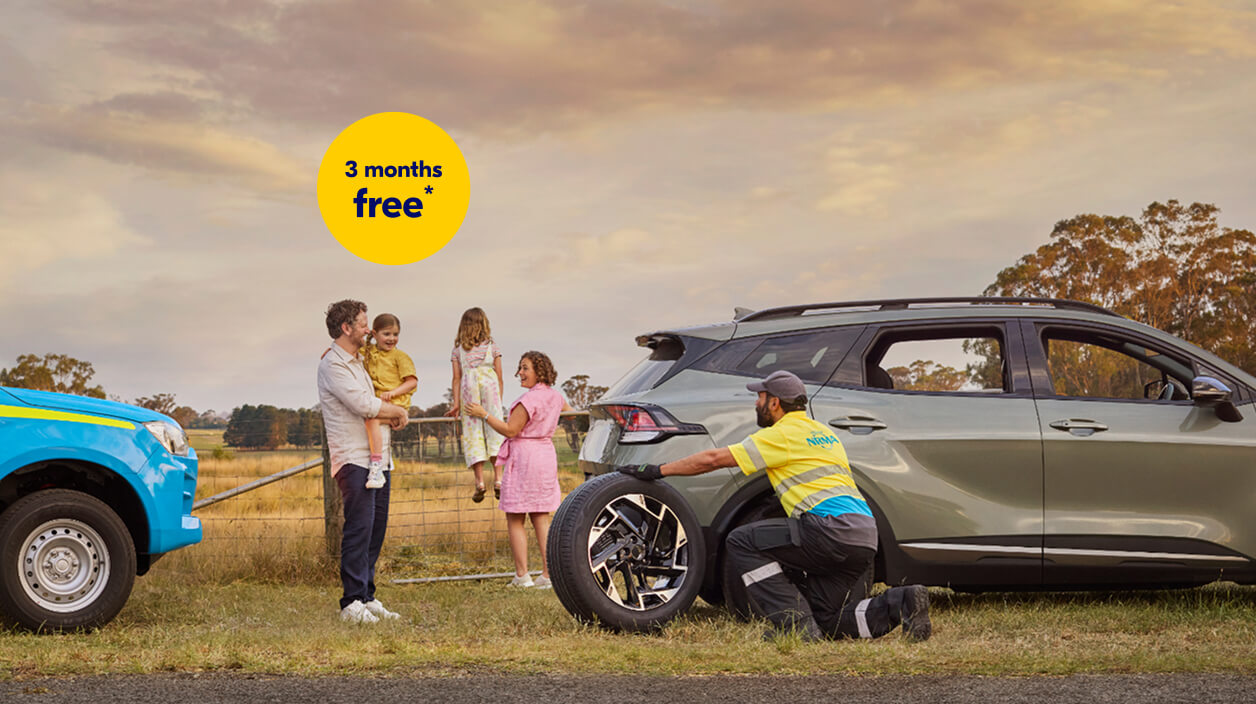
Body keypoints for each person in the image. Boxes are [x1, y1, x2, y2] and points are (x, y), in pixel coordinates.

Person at [617, 370, 932, 642]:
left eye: (760, 397)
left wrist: (658, 470)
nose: (757, 403)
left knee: (741, 541)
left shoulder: (780, 435)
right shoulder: (824, 434)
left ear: (775, 403)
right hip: (864, 534)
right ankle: (902, 601)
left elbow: (713, 460)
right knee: (829, 618)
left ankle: (794, 624)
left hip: (829, 529)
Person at [317, 299, 410, 624]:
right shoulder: (334, 365)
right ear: (346, 328)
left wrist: (390, 413)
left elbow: (373, 403)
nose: (368, 329)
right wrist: (397, 411)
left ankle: (367, 595)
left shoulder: (357, 362)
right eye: (362, 323)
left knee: (375, 528)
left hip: (379, 458)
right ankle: (351, 602)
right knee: (358, 528)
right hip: (354, 458)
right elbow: (362, 404)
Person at [466, 351, 572, 588]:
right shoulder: (556, 397)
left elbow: (511, 430)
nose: (519, 373)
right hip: (545, 454)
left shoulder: (529, 400)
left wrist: (484, 414)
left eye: (525, 368)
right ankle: (547, 574)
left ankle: (522, 575)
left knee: (515, 516)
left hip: (525, 458)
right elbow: (570, 413)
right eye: (520, 368)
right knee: (541, 517)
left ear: (539, 371)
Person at [447, 307, 506, 503]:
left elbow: (456, 379)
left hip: (468, 388)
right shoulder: (492, 346)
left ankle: (480, 482)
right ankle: (498, 479)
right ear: (484, 324)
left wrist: (456, 403)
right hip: (490, 388)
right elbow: (499, 377)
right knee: (494, 432)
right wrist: (499, 400)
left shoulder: (458, 351)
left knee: (473, 435)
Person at [361, 313, 418, 489]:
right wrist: (331, 350)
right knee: (368, 419)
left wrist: (393, 393)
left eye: (395, 334)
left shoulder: (400, 356)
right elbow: (348, 350)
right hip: (379, 403)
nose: (392, 338)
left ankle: (376, 466)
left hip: (396, 404)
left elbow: (412, 381)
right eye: (387, 334)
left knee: (372, 420)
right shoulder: (369, 352)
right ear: (375, 334)